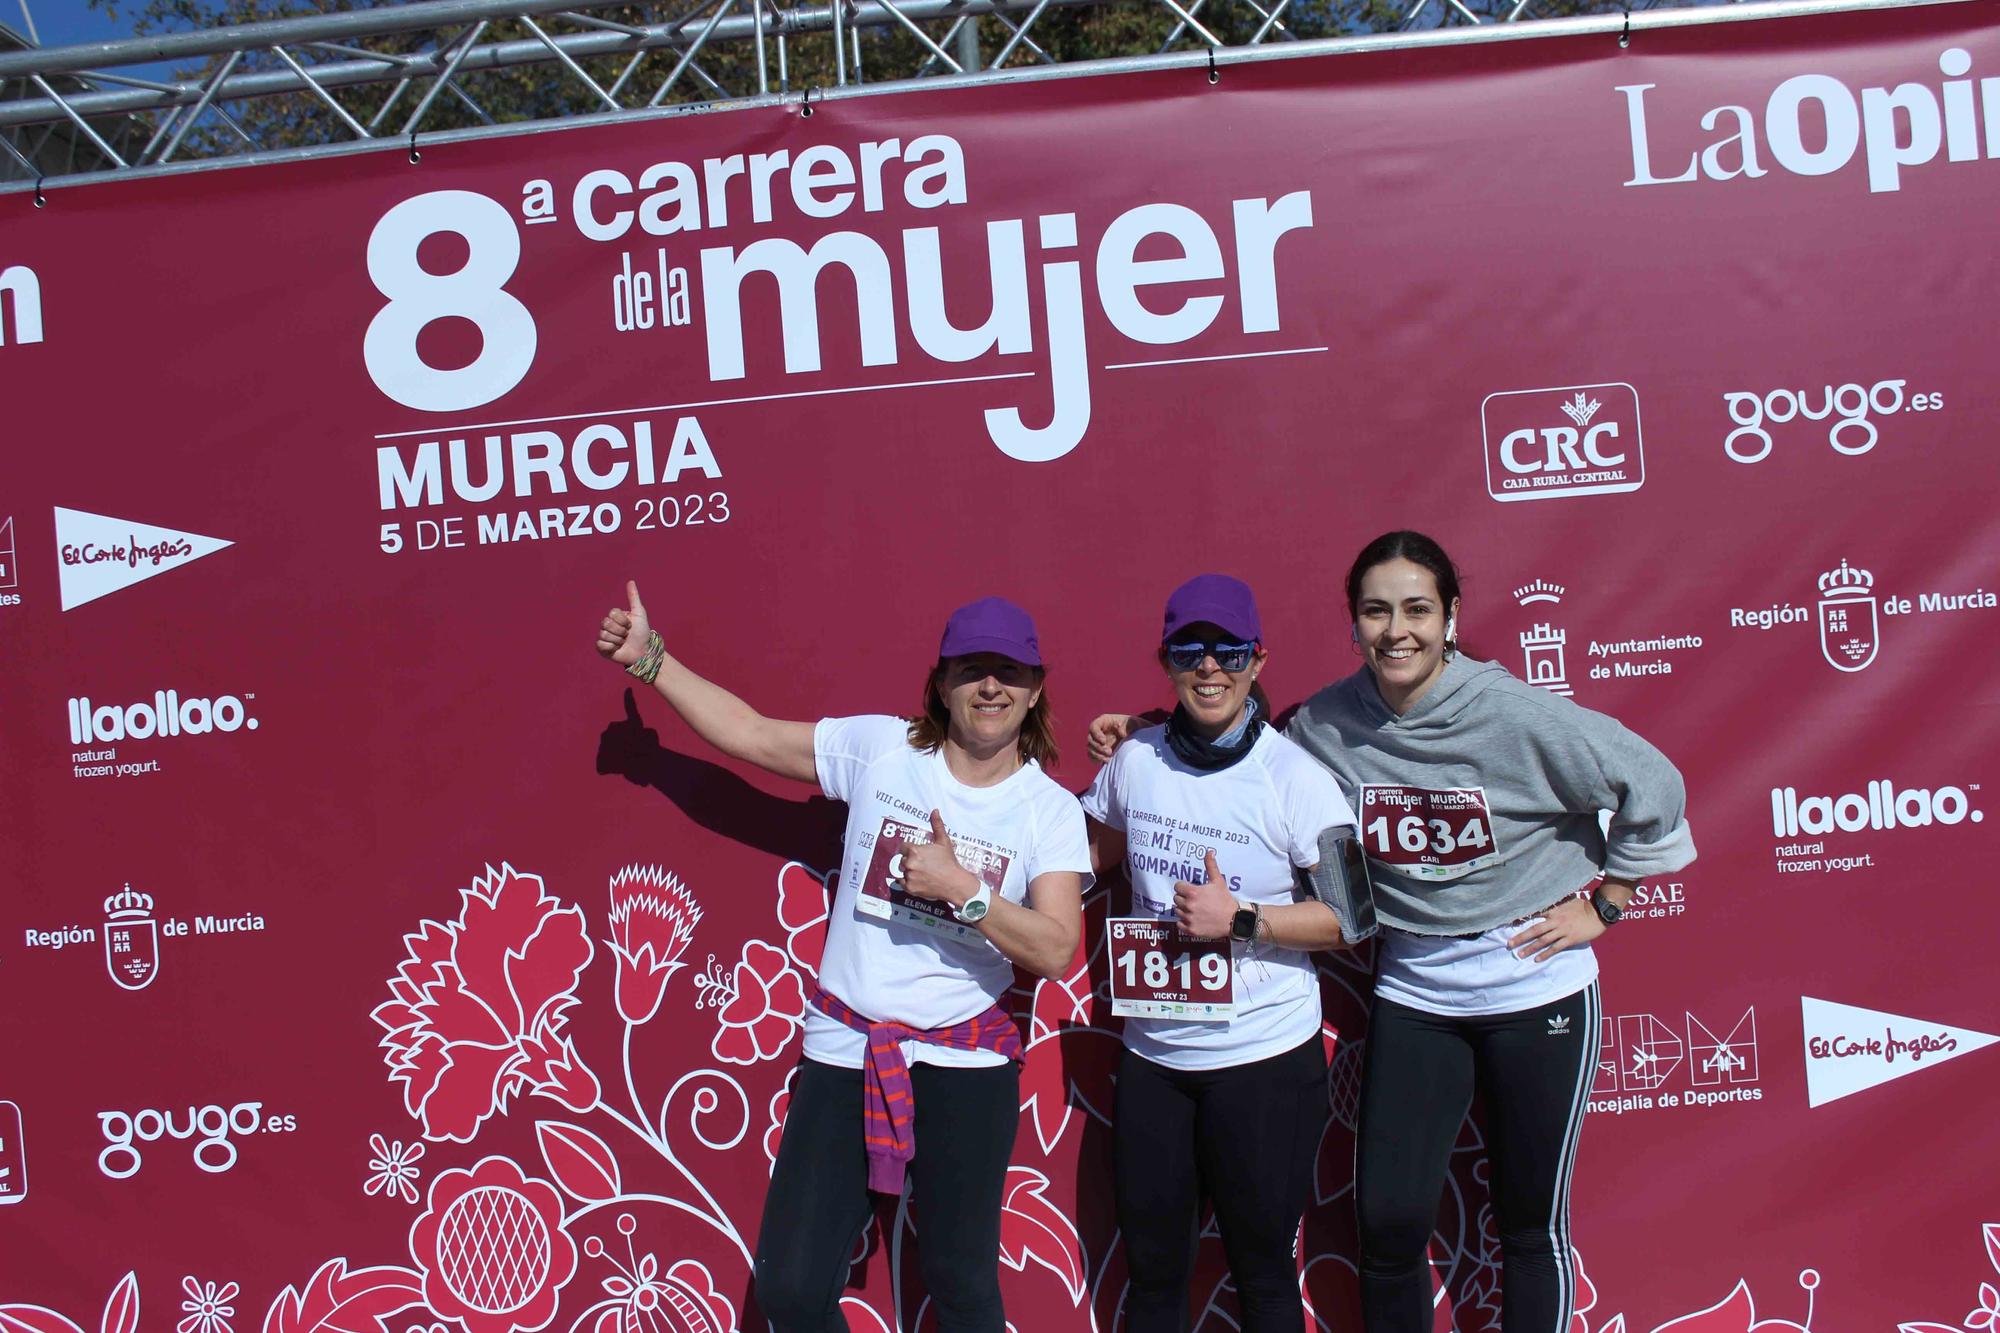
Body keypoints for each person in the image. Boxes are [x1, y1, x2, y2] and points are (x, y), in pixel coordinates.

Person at [1090, 533, 1695, 1333]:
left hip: (1533, 979)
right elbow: (1241, 734)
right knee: (1390, 1221)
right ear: (1354, 625)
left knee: (1528, 1223)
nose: (1397, 629)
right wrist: (1155, 730)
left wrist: (1608, 900)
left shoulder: (1514, 712)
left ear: (1451, 618)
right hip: (1417, 987)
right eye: (1377, 611)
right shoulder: (1333, 723)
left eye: (1417, 608)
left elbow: (1652, 780)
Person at [597, 583, 1091, 1333]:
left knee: (961, 1291)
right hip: (846, 1050)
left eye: (1010, 671)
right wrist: (651, 659)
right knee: (792, 1291)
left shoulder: (1046, 809)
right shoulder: (882, 749)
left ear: (1035, 689)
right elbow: (753, 734)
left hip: (965, 1065)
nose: (990, 685)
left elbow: (1057, 948)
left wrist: (965, 889)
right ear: (942, 682)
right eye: (971, 668)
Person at [1081, 574, 1357, 1333]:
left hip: (1263, 1060)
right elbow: (1086, 854)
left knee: (1264, 1277)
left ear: (1258, 659)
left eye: (1229, 650)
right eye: (1190, 651)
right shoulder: (1135, 761)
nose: (1210, 667)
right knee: (1155, 1280)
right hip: (1157, 1061)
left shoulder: (1295, 777)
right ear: (1167, 661)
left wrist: (1243, 921)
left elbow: (1351, 916)